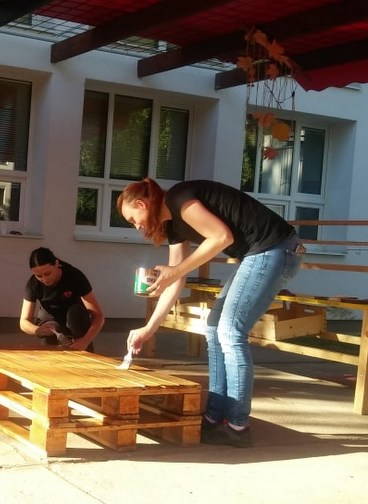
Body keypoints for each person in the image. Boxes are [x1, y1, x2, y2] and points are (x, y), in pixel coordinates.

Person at [117, 177, 305, 448]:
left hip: (276, 248)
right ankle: (214, 417)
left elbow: (220, 237)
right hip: (259, 254)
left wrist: (175, 271)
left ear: (141, 204)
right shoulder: (173, 226)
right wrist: (149, 329)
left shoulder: (179, 198)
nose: (136, 226)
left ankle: (238, 426)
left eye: (133, 219)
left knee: (230, 331)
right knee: (214, 327)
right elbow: (176, 280)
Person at [19, 247, 105, 352]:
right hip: (51, 321)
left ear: (56, 264)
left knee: (76, 314)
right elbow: (24, 322)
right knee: (50, 328)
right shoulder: (33, 284)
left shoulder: (74, 276)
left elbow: (98, 316)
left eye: (47, 273)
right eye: (38, 276)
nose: (44, 280)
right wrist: (37, 330)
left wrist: (86, 340)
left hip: (75, 319)